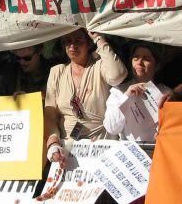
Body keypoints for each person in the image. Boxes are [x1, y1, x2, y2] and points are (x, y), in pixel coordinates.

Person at [44, 30, 127, 164]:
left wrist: (98, 39)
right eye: (68, 41)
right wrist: (53, 143)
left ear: (88, 44)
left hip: (101, 144)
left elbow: (118, 75)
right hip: (68, 149)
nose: (72, 46)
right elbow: (50, 114)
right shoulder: (57, 72)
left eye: (78, 41)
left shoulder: (99, 65)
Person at [104, 42, 171, 141]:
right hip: (129, 152)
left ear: (157, 66)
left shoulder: (165, 93)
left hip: (156, 151)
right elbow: (112, 128)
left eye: (146, 59)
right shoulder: (119, 92)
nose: (139, 62)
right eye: (136, 58)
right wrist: (126, 97)